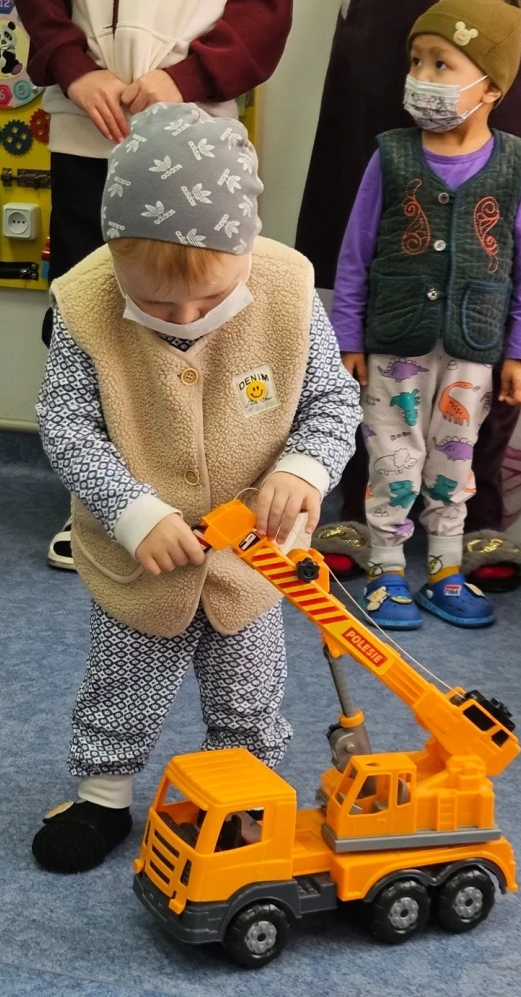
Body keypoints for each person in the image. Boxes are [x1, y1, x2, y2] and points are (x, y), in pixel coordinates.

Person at [31, 104, 360, 873]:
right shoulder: (84, 303)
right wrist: (133, 512)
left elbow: (332, 403)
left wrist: (302, 471)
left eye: (208, 302)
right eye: (156, 305)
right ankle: (103, 797)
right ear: (114, 254)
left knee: (249, 695)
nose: (183, 319)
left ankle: (242, 799)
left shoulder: (288, 291)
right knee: (121, 683)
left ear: (247, 245)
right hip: (138, 561)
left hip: (256, 562)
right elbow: (67, 426)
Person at [10, 0, 295, 571]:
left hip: (198, 132)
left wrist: (188, 77)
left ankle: (204, 489)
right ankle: (102, 500)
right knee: (89, 317)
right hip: (88, 123)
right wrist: (74, 68)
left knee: (205, 316)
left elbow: (265, 6)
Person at [297, 0, 521, 593]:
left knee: (456, 454)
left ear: (490, 87)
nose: (420, 78)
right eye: (415, 63)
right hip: (395, 337)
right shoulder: (389, 153)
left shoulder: (517, 165)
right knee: (390, 448)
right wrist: (348, 337)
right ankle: (380, 551)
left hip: (474, 345)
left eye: (439, 66)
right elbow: (355, 253)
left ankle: (455, 553)